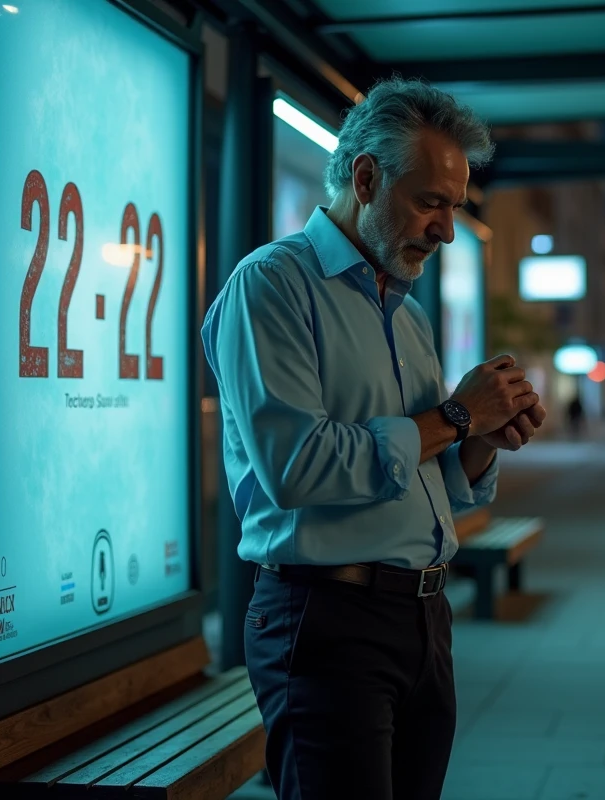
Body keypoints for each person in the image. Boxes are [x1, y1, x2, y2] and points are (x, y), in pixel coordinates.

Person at [201, 77, 547, 800]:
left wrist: (484, 435)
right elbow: (295, 467)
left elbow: (434, 478)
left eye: (454, 207)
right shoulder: (271, 285)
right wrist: (454, 417)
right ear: (364, 176)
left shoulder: (407, 311)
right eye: (431, 202)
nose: (446, 229)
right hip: (323, 621)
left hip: (422, 617)